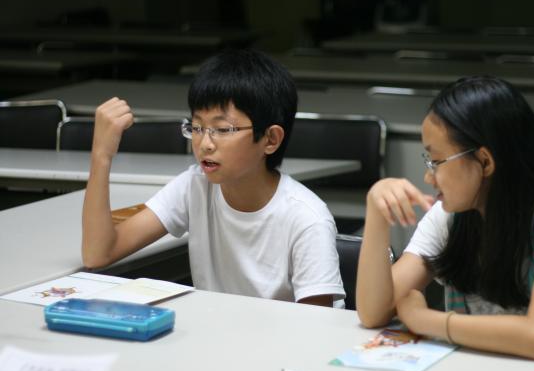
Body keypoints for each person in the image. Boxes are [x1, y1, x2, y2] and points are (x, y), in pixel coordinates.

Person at [356, 76, 534, 359]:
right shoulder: (448, 216)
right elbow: (373, 313)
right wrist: (376, 213)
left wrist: (425, 320)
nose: (429, 177)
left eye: (437, 161)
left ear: (485, 161)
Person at [82, 49, 345, 307]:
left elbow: (315, 327)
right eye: (197, 127)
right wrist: (101, 155)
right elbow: (99, 253)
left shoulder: (307, 219)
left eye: (222, 129)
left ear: (270, 139)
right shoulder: (194, 186)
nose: (205, 144)